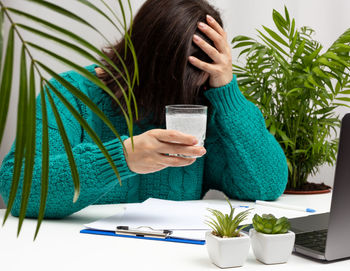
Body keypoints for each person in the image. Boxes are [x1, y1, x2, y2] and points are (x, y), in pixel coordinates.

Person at [0, 0, 288, 218]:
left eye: (196, 80)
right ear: (140, 56)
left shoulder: (204, 103)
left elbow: (267, 185)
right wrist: (120, 158)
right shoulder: (70, 95)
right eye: (173, 81)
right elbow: (17, 188)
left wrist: (226, 90)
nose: (183, 94)